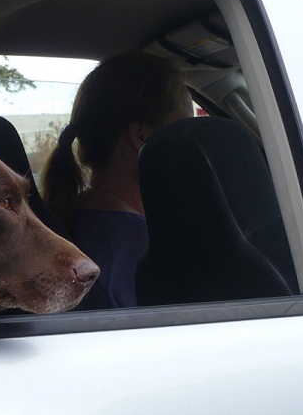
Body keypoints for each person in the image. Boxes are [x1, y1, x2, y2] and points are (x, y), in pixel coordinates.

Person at [41, 53, 193, 308]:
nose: (193, 143)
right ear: (141, 136)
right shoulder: (142, 248)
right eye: (184, 127)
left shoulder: (75, 215)